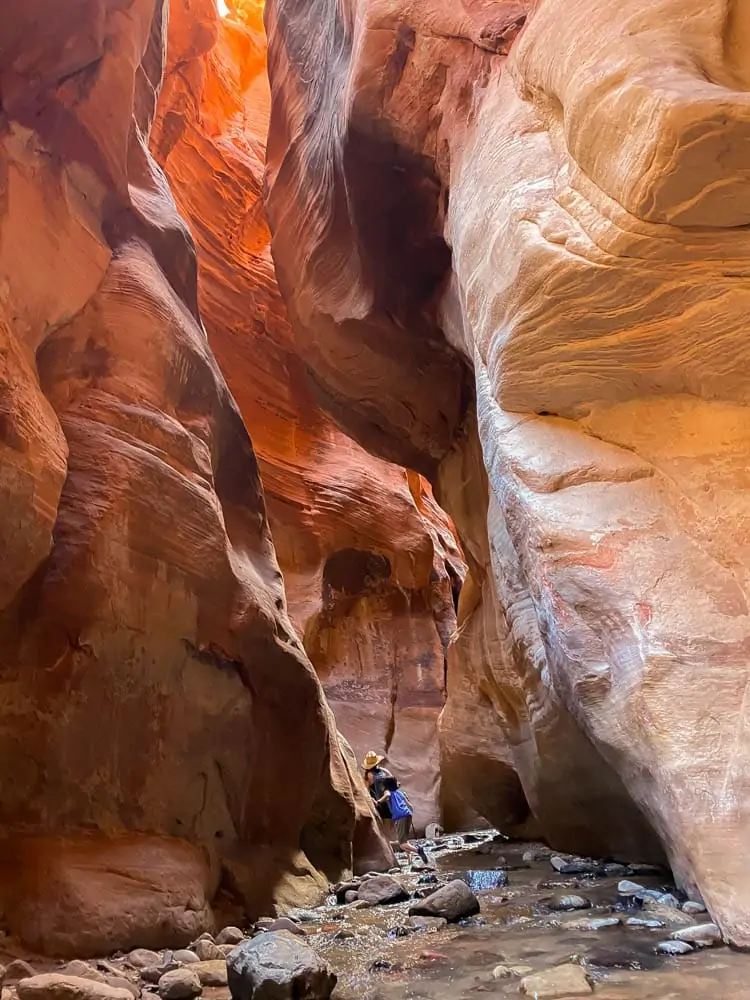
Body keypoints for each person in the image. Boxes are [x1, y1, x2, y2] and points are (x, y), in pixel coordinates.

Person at [362, 751, 429, 864]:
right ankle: (409, 860)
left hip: (388, 809)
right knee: (403, 839)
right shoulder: (385, 773)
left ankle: (417, 851)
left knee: (399, 841)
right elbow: (408, 802)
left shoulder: (373, 777)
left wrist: (377, 802)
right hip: (402, 811)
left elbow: (382, 793)